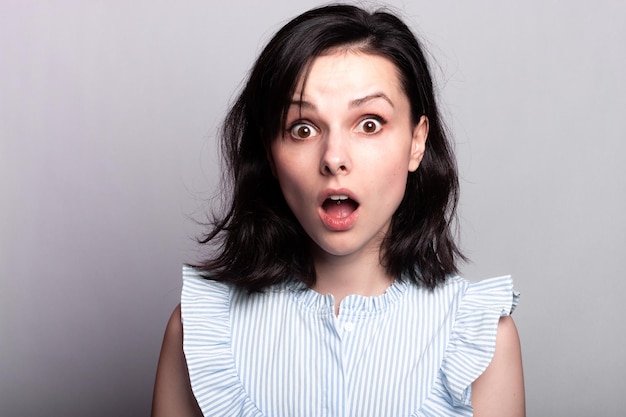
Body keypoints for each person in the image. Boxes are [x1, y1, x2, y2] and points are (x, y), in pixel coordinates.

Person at [151, 4, 525, 417]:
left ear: (416, 141)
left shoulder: (479, 336)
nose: (334, 158)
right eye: (303, 128)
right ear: (271, 154)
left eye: (369, 123)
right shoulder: (202, 331)